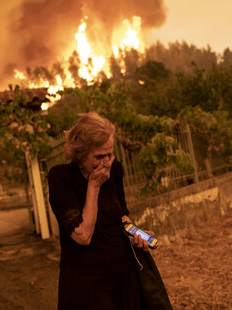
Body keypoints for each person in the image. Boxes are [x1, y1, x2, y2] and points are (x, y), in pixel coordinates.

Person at [48, 112, 172, 310]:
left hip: (124, 275)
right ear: (80, 153)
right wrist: (94, 186)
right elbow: (83, 235)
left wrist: (136, 233)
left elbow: (120, 216)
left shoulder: (114, 169)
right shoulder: (60, 178)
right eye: (99, 156)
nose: (106, 162)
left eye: (109, 154)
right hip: (88, 283)